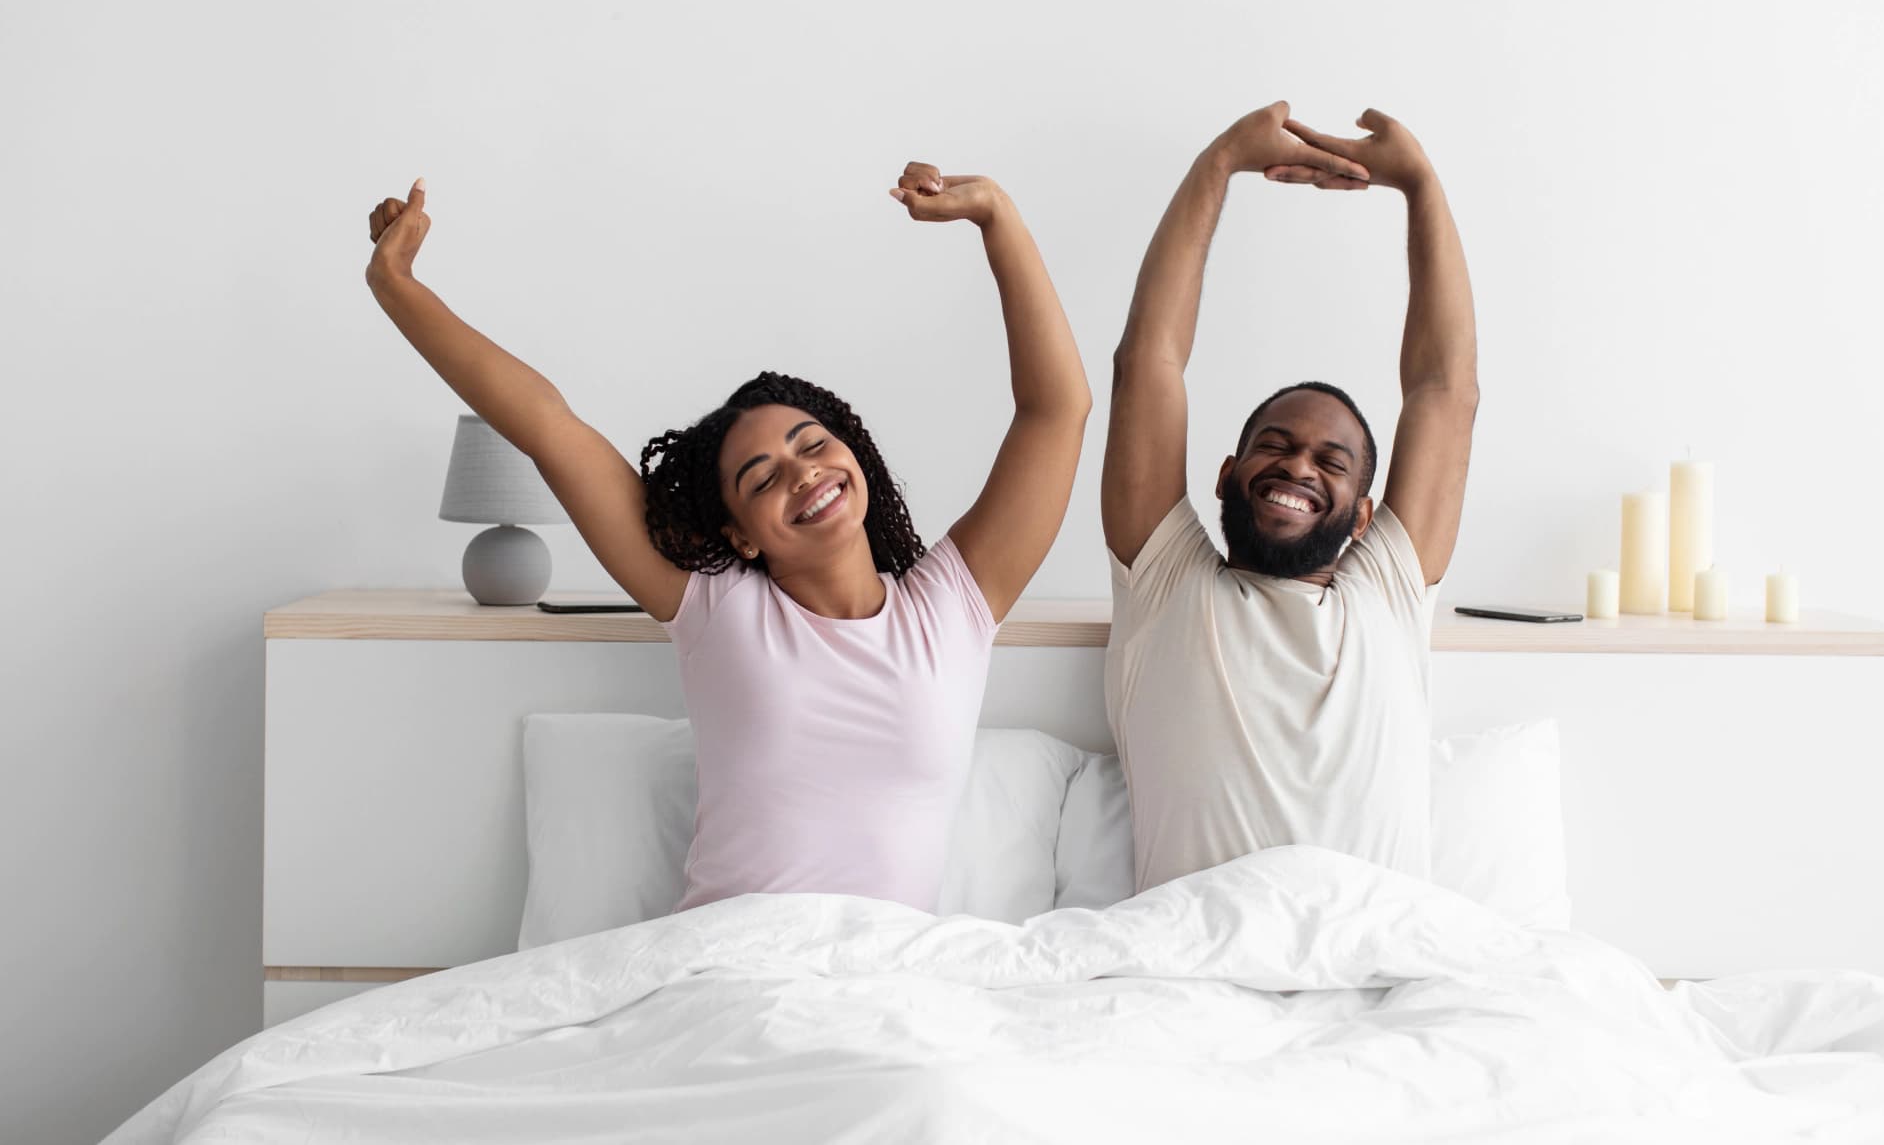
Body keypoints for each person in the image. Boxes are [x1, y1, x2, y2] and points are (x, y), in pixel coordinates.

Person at [365, 163, 1091, 913]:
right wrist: (400, 288)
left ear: (854, 455)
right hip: (729, 979)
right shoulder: (716, 609)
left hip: (887, 987)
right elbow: (548, 426)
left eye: (812, 445)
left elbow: (1056, 409)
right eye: (762, 477)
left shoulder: (951, 610)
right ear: (739, 537)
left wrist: (996, 217)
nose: (803, 474)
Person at [1101, 101, 1477, 894]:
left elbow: (1445, 392)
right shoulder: (1167, 582)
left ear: (1366, 514)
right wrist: (1219, 162)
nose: (1298, 464)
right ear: (1227, 474)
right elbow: (1150, 364)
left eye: (1330, 459)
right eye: (1274, 445)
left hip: (1375, 971)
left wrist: (1422, 187)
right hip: (1192, 974)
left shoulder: (1389, 592)